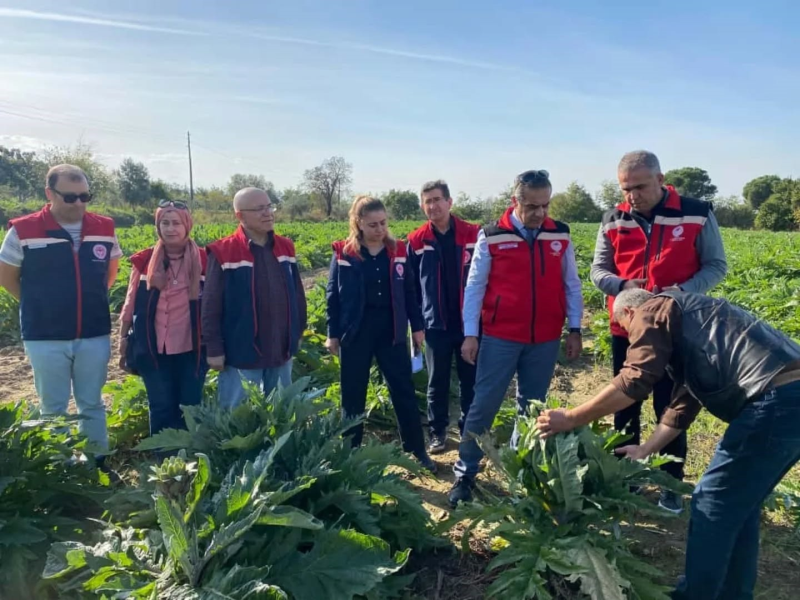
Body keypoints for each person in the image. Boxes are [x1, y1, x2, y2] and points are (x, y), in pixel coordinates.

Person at [537, 288, 800, 600]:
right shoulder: (694, 321)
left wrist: (570, 418)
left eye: (624, 327)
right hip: (789, 398)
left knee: (711, 500)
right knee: (740, 505)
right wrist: (646, 449)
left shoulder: (654, 309)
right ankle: (732, 593)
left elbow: (633, 380)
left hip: (774, 400)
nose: (630, 339)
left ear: (630, 313)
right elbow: (682, 406)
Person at [590, 150, 727, 513]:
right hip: (628, 328)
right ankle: (624, 478)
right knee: (625, 403)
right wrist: (621, 285)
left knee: (668, 406)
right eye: (625, 188)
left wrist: (682, 292)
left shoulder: (697, 212)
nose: (632, 195)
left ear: (660, 178)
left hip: (675, 327)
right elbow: (597, 270)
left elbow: (716, 266)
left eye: (639, 186)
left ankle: (669, 482)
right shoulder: (613, 218)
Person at [448, 169, 584, 506]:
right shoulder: (492, 235)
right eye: (532, 206)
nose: (540, 213)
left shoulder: (560, 235)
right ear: (515, 202)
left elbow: (572, 283)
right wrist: (470, 335)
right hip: (500, 336)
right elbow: (475, 287)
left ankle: (518, 471)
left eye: (545, 205)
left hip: (545, 337)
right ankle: (465, 471)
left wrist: (576, 328)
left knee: (532, 407)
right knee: (484, 405)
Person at [0, 164, 121, 454]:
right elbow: (6, 277)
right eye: (70, 197)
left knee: (91, 402)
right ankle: (61, 467)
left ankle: (96, 461)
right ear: (49, 193)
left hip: (94, 332)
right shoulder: (24, 230)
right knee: (53, 406)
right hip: (44, 335)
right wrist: (39, 304)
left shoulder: (104, 228)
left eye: (84, 196)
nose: (78, 203)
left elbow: (110, 273)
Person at [325, 196, 436, 471]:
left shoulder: (398, 250)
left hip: (392, 330)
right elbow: (332, 296)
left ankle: (416, 450)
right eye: (373, 224)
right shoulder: (343, 253)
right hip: (355, 331)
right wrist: (332, 333)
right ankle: (350, 455)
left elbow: (411, 292)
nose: (379, 229)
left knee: (403, 390)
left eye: (383, 223)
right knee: (353, 394)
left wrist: (418, 327)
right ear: (358, 223)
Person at [202, 187, 307, 408]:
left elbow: (297, 293)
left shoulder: (285, 247)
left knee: (282, 413)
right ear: (240, 215)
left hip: (281, 347)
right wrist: (214, 349)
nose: (268, 213)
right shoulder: (223, 251)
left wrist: (297, 331)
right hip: (241, 350)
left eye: (269, 206)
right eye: (259, 209)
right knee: (238, 419)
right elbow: (211, 304)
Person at [119, 201, 208, 435]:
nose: (170, 229)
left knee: (190, 405)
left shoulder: (205, 260)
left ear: (187, 225)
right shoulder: (145, 260)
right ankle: (164, 458)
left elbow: (218, 304)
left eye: (176, 223)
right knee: (160, 405)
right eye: (164, 223)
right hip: (152, 346)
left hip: (193, 347)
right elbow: (130, 302)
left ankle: (191, 455)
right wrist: (123, 337)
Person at [407, 180, 480, 455]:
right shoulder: (416, 241)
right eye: (427, 201)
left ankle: (469, 432)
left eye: (437, 199)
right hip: (434, 324)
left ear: (450, 202)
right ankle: (437, 434)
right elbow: (410, 287)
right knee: (436, 382)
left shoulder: (474, 234)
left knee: (469, 380)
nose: (433, 206)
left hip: (468, 324)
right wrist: (417, 325)